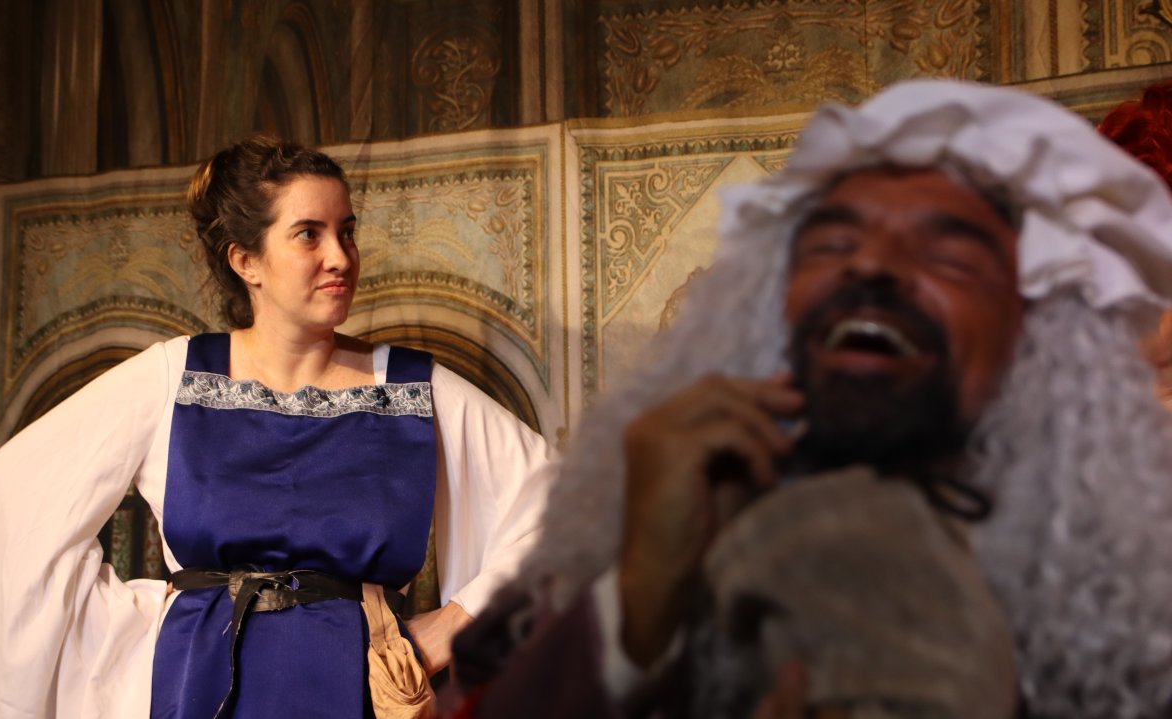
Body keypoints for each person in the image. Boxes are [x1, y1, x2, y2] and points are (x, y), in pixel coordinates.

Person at [449, 80, 1172, 719]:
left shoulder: (1104, 565)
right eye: (831, 242)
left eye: (947, 253)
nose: (873, 268)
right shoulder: (665, 528)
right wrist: (639, 594)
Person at [0, 136, 554, 718]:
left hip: (359, 689)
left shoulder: (412, 387)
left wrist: (454, 624)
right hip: (196, 685)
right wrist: (125, 637)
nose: (340, 257)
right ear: (247, 259)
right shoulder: (174, 376)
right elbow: (8, 499)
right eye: (308, 235)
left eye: (347, 232)